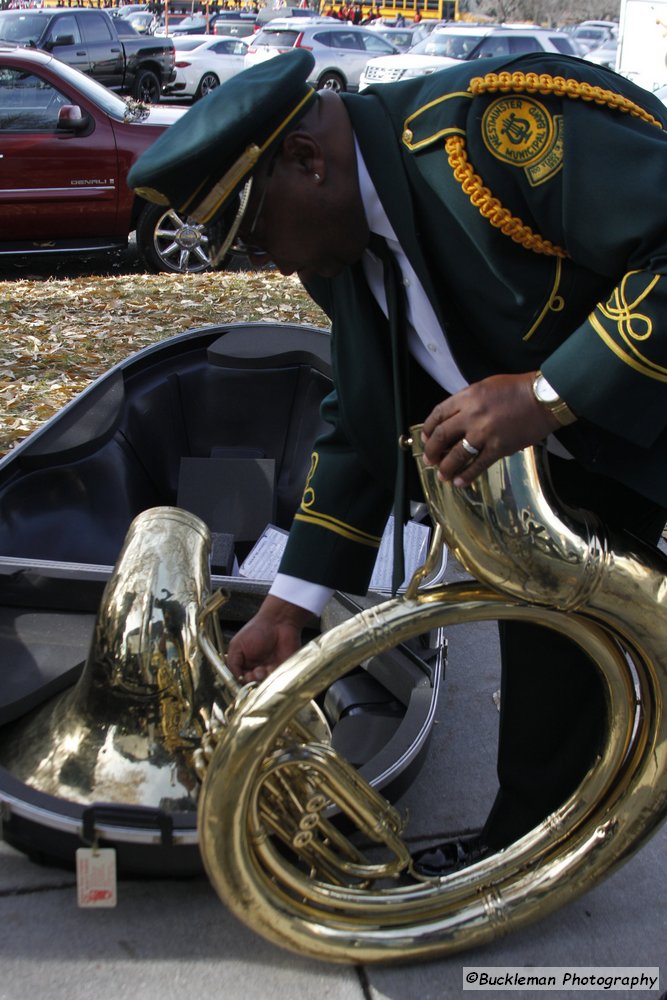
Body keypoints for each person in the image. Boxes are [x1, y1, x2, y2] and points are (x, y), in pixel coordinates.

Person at [128, 49, 667, 862]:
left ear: (307, 160)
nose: (273, 262)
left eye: (260, 229)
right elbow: (364, 414)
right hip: (581, 466)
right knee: (549, 645)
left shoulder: (486, 133)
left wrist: (549, 393)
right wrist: (288, 607)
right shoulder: (340, 240)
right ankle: (531, 846)